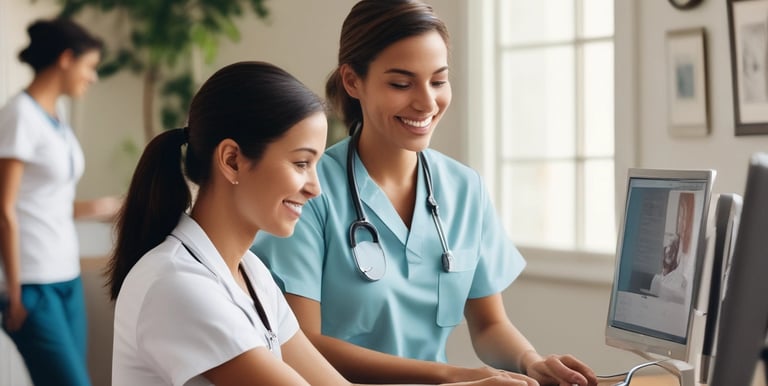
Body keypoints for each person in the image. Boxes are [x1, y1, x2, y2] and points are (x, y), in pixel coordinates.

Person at [108, 61, 527, 386]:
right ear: (232, 160)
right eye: (300, 163)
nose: (315, 187)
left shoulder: (250, 274)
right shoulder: (178, 284)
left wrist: (465, 378)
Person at [251, 1, 599, 385]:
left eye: (438, 81)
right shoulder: (309, 193)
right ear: (352, 81)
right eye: (401, 84)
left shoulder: (465, 189)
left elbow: (489, 324)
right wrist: (452, 375)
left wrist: (530, 361)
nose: (427, 103)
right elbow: (302, 344)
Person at [0, 18, 121, 386]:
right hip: (33, 283)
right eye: (90, 67)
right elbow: (4, 209)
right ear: (66, 59)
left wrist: (103, 207)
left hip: (66, 274)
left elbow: (45, 202)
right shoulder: (20, 115)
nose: (93, 78)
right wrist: (15, 293)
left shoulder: (58, 118)